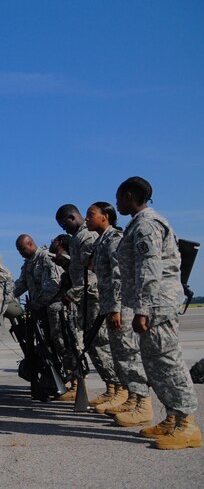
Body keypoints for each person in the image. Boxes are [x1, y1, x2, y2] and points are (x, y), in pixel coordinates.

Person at [115, 176, 200, 449]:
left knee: (168, 363)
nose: (117, 203)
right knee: (155, 365)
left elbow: (149, 269)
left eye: (119, 198)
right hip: (154, 304)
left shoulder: (146, 225)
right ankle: (173, 417)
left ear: (129, 196)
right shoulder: (139, 224)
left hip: (157, 305)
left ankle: (188, 425)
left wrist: (142, 309)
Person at [85, 202, 152, 422]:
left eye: (91, 214)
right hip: (109, 304)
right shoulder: (102, 241)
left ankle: (143, 402)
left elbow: (118, 276)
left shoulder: (114, 240)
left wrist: (115, 308)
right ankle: (132, 398)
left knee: (128, 354)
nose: (87, 219)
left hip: (120, 307)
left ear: (105, 217)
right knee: (120, 355)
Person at [56, 204, 119, 405]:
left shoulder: (87, 237)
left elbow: (92, 275)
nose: (63, 228)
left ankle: (116, 388)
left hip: (93, 298)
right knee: (93, 345)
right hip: (85, 298)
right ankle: (112, 388)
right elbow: (80, 269)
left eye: (63, 223)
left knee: (99, 343)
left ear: (71, 217)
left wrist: (72, 293)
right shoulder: (77, 239)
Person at [13, 234, 74, 398]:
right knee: (47, 347)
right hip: (40, 313)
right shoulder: (28, 264)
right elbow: (21, 285)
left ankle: (75, 382)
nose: (21, 253)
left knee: (62, 344)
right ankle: (58, 380)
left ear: (31, 243)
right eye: (19, 251)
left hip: (55, 310)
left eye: (22, 249)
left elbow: (54, 285)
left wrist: (38, 303)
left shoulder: (47, 258)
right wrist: (6, 296)